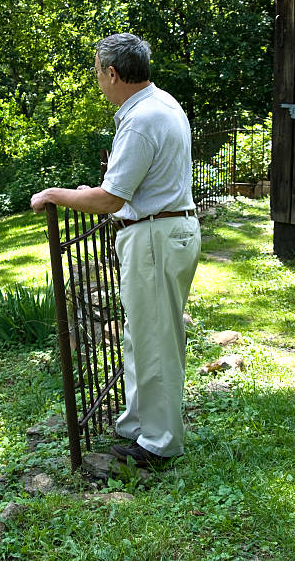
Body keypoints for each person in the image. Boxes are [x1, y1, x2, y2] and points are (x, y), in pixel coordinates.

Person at [31, 33, 201, 466]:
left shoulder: (142, 118)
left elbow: (109, 200)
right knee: (143, 337)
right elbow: (126, 188)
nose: (98, 83)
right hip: (164, 230)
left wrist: (56, 194)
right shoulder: (162, 103)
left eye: (97, 74)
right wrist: (102, 191)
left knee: (155, 341)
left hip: (153, 238)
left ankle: (159, 444)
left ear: (112, 72)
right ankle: (137, 425)